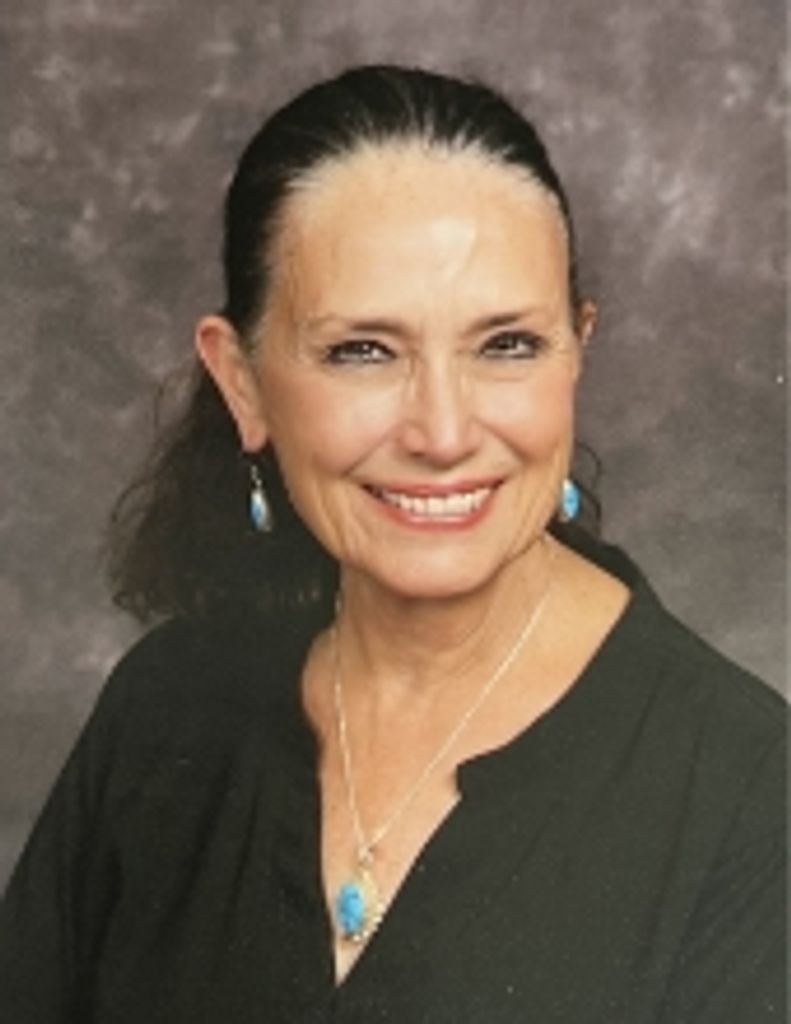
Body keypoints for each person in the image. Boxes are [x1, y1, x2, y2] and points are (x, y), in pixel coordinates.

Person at [0, 64, 785, 1023]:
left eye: (506, 345)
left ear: (575, 353)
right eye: (362, 351)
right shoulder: (165, 712)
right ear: (242, 382)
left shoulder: (751, 794)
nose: (442, 433)